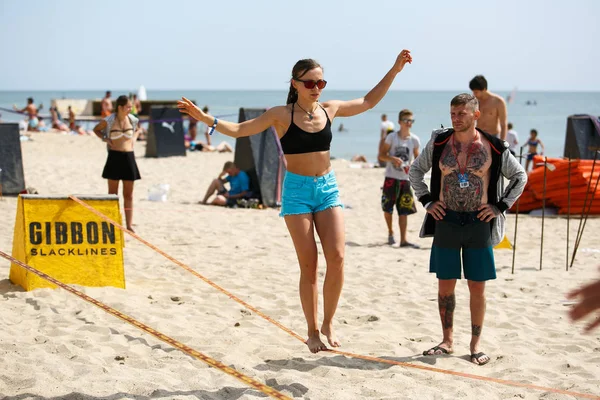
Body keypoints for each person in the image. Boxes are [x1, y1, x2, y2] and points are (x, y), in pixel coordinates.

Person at [178, 50, 413, 353]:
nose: (317, 88)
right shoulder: (280, 114)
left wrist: (394, 70)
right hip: (297, 192)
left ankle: (328, 321)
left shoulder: (330, 109)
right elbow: (239, 130)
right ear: (295, 84)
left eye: (321, 83)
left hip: (327, 187)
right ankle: (313, 331)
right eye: (311, 83)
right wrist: (204, 119)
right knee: (310, 265)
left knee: (338, 259)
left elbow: (368, 101)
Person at [409, 93, 526, 366]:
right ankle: (446, 341)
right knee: (445, 285)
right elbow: (415, 171)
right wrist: (427, 200)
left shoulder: (494, 147)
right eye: (452, 113)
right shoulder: (439, 144)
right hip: (447, 221)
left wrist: (500, 206)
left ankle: (475, 345)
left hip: (479, 224)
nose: (456, 118)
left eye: (461, 113)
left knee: (477, 287)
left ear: (476, 114)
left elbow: (520, 176)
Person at [93, 95, 141, 232]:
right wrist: (105, 139)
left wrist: (134, 140)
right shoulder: (109, 120)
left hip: (129, 157)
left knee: (129, 194)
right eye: (128, 107)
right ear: (120, 107)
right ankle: (112, 223)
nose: (130, 109)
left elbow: (138, 129)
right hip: (114, 157)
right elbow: (96, 129)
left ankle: (129, 225)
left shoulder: (132, 120)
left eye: (131, 106)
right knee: (112, 194)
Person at [378, 109, 420, 247]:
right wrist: (392, 159)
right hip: (391, 177)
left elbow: (417, 159)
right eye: (406, 121)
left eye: (411, 121)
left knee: (404, 210)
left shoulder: (414, 140)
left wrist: (412, 165)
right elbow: (381, 156)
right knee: (387, 208)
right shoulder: (392, 138)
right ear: (399, 122)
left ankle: (403, 239)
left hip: (405, 179)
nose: (409, 124)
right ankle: (390, 233)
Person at [469, 75, 507, 140]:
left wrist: (502, 143)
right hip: (478, 136)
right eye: (473, 92)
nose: (474, 94)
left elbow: (503, 124)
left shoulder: (498, 102)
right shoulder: (474, 101)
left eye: (476, 92)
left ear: (484, 89)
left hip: (493, 137)